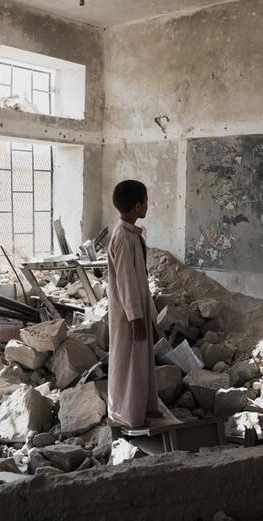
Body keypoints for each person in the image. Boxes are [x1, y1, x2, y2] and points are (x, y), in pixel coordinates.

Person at [106, 180, 160, 428]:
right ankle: (127, 413)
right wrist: (135, 316)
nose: (148, 204)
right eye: (146, 201)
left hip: (136, 308)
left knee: (140, 361)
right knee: (128, 363)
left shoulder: (131, 234)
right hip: (128, 314)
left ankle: (144, 407)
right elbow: (126, 280)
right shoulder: (123, 238)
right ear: (137, 205)